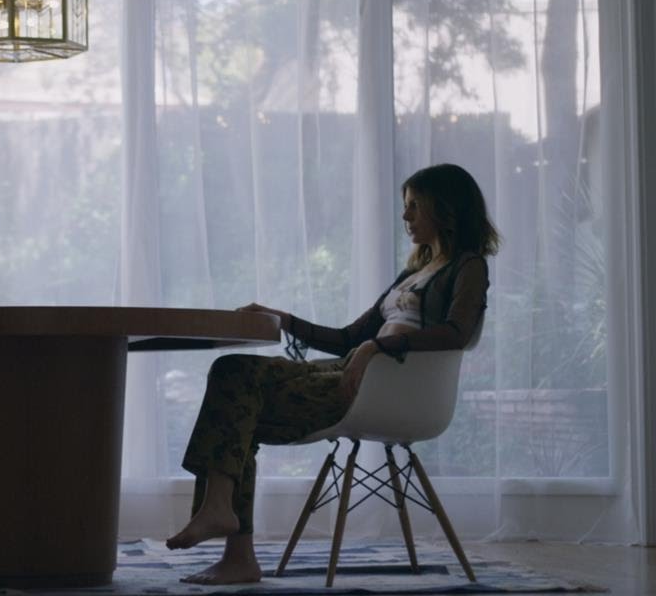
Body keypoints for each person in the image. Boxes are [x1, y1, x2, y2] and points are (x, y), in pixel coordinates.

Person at [166, 163, 500, 585]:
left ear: (445, 207)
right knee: (233, 373)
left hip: (384, 391)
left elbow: (457, 332)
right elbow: (348, 338)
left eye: (415, 205)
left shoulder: (468, 266)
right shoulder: (414, 273)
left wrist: (376, 347)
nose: (406, 215)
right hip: (355, 371)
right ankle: (227, 531)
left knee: (238, 407)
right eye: (406, 206)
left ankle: (229, 537)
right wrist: (283, 319)